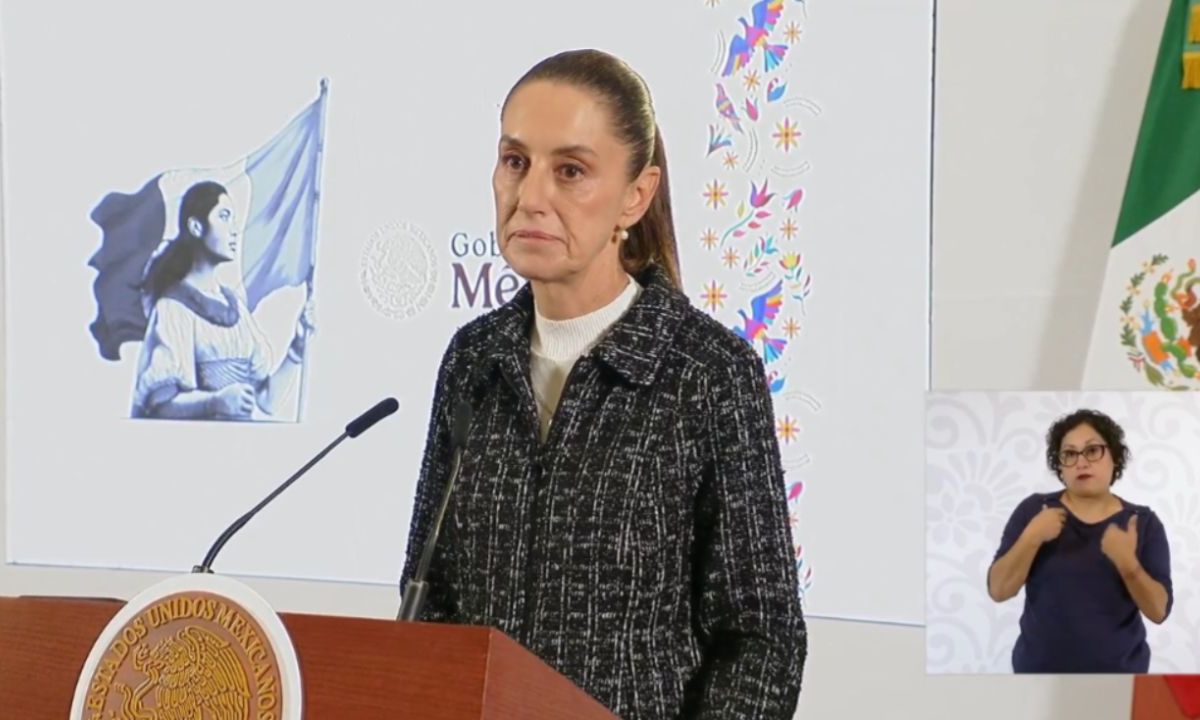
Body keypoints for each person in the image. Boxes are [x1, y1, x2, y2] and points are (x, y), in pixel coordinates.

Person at [400, 50, 806, 718]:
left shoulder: (706, 372)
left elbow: (761, 638)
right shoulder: (475, 359)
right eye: (515, 162)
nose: (530, 196)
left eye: (570, 171)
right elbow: (430, 596)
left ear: (635, 195)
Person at [987, 408, 1173, 672]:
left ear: (1114, 458)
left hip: (1119, 677)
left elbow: (1158, 611)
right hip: (1037, 673)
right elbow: (998, 590)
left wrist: (1128, 564)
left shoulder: (1143, 523)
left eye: (1092, 450)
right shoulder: (1034, 510)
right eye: (1070, 454)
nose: (1081, 463)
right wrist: (1033, 536)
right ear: (1060, 465)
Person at [131, 180, 313, 420]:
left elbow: (267, 401)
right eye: (224, 216)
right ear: (196, 227)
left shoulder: (234, 305)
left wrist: (296, 350)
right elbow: (161, 405)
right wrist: (214, 402)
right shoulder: (173, 308)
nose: (235, 229)